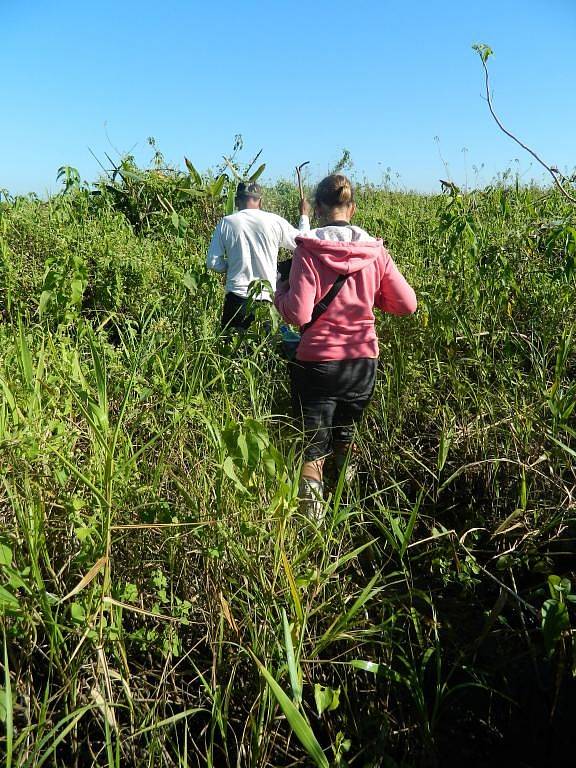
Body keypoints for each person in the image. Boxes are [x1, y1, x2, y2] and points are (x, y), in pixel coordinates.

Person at [274, 174, 417, 519]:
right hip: (362, 363)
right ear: (351, 208)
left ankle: (315, 530)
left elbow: (298, 313)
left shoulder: (309, 250)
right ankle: (350, 506)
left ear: (319, 208)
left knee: (313, 447)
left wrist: (279, 292)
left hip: (318, 363)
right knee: (345, 433)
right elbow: (407, 304)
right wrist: (372, 297)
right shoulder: (375, 252)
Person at [206, 181, 310, 330]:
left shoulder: (227, 223)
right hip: (266, 300)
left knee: (231, 350)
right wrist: (304, 216)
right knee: (263, 349)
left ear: (237, 201)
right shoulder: (274, 221)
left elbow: (213, 263)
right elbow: (303, 242)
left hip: (236, 299)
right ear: (260, 201)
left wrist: (232, 266)